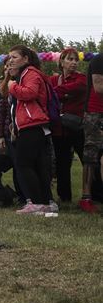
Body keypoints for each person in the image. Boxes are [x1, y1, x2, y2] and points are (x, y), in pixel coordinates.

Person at [0, 45, 55, 215]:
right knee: (37, 165)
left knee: (24, 164)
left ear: (25, 59)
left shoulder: (31, 74)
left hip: (32, 125)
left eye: (14, 57)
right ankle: (46, 203)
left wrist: (12, 85)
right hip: (27, 126)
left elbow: (30, 93)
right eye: (9, 57)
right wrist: (8, 78)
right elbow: (3, 93)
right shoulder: (19, 77)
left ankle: (36, 202)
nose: (10, 60)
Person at [48, 48, 86, 204]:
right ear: (61, 62)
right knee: (62, 164)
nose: (74, 62)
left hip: (77, 127)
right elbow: (47, 93)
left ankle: (95, 195)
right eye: (70, 59)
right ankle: (64, 197)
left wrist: (56, 92)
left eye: (76, 60)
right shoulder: (53, 79)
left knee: (88, 161)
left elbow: (76, 87)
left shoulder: (82, 78)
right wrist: (60, 94)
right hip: (59, 129)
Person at [78, 52, 103, 213]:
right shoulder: (99, 60)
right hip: (95, 113)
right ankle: (86, 197)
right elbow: (99, 87)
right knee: (91, 155)